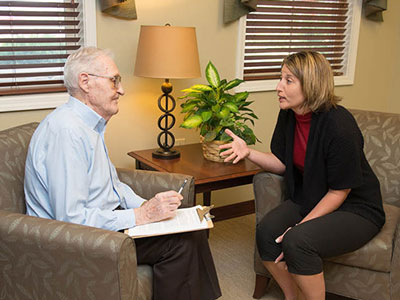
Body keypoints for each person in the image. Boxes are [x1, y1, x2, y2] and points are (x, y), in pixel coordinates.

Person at [24, 47, 221, 300]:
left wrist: (149, 208)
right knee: (180, 244)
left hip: (100, 223)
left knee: (192, 230)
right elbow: (70, 219)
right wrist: (139, 216)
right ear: (85, 82)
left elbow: (112, 187)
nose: (121, 90)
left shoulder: (89, 124)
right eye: (114, 80)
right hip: (74, 242)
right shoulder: (66, 132)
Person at [219, 51, 385, 300]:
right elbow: (281, 162)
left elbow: (340, 191)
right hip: (311, 195)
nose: (278, 87)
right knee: (266, 233)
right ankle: (291, 295)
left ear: (311, 84)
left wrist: (299, 226)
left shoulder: (340, 126)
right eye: (280, 78)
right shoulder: (289, 115)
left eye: (288, 80)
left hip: (356, 208)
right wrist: (248, 152)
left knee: (297, 240)